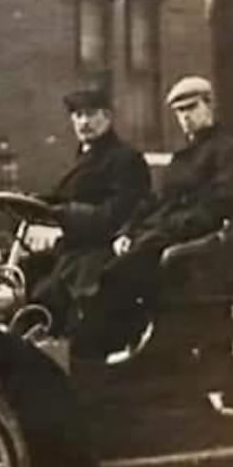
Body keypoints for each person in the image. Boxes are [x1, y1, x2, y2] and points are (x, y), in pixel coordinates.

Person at [73, 76, 233, 358]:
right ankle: (104, 348)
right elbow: (157, 202)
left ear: (209, 106)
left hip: (197, 242)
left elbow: (224, 204)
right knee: (97, 264)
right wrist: (128, 232)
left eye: (192, 108)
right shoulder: (183, 157)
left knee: (115, 275)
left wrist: (167, 229)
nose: (186, 118)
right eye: (180, 112)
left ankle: (113, 352)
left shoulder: (228, 152)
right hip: (164, 233)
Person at [23, 85, 152, 335]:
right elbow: (61, 198)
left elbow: (116, 216)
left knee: (46, 293)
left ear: (107, 117)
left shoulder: (125, 159)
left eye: (91, 114)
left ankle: (61, 355)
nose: (84, 122)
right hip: (73, 249)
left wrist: (61, 217)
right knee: (22, 274)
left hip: (99, 252)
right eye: (77, 115)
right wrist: (29, 204)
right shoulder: (84, 160)